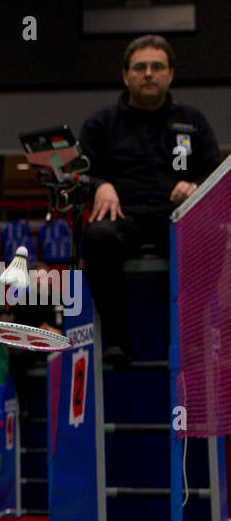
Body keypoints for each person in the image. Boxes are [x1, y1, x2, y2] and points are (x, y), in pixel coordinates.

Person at [79, 34, 221, 366]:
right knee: (97, 236)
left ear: (170, 73)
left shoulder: (193, 122)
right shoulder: (101, 124)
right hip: (121, 217)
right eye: (140, 67)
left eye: (157, 67)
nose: (148, 74)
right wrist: (99, 185)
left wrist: (195, 187)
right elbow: (77, 176)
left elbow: (215, 174)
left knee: (213, 235)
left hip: (175, 217)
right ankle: (117, 341)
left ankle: (189, 333)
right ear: (125, 75)